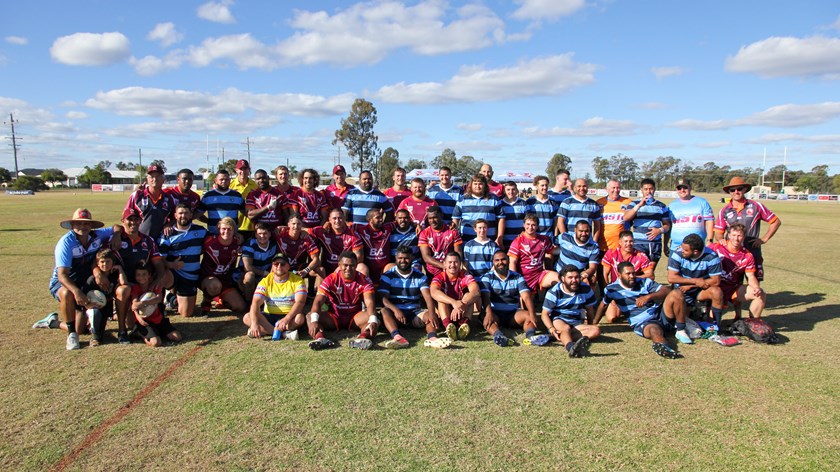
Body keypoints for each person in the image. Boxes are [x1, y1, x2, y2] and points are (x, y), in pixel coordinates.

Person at [47, 209, 120, 350]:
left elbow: (117, 227)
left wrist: (117, 235)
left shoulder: (97, 235)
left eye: (86, 223)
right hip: (64, 283)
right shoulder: (66, 243)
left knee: (81, 328)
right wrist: (76, 292)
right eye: (78, 223)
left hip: (84, 282)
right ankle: (72, 335)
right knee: (67, 294)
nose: (82, 227)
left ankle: (53, 322)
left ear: (91, 225)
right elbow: (62, 275)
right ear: (72, 225)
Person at [594, 262, 684, 359]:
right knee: (654, 330)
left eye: (633, 273)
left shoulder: (644, 281)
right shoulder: (612, 289)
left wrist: (648, 297)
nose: (632, 276)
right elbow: (603, 305)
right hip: (644, 322)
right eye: (628, 274)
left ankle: (681, 329)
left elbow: (666, 290)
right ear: (619, 275)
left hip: (660, 313)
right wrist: (594, 322)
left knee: (677, 293)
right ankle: (664, 348)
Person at [113, 208, 173, 339]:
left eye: (136, 219)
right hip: (124, 284)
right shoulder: (116, 239)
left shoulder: (148, 240)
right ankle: (122, 330)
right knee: (124, 293)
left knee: (166, 275)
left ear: (141, 221)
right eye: (129, 219)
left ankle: (158, 316)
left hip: (142, 283)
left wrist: (157, 280)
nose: (133, 222)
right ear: (123, 221)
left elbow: (158, 263)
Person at [378, 247, 450, 349]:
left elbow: (428, 297)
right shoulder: (387, 275)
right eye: (400, 258)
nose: (403, 261)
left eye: (406, 258)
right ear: (396, 258)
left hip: (414, 313)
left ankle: (432, 338)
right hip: (395, 314)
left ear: (412, 258)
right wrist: (396, 310)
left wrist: (432, 313)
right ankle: (398, 337)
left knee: (430, 314)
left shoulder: (420, 276)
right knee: (384, 311)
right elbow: (382, 298)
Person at [307, 252, 378, 350]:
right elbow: (318, 301)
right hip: (334, 316)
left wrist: (373, 320)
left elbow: (369, 302)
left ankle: (362, 338)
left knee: (375, 320)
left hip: (355, 317)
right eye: (345, 265)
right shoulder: (331, 278)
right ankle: (321, 339)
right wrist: (314, 321)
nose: (348, 268)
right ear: (339, 265)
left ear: (356, 265)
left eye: (352, 265)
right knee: (310, 316)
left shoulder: (364, 280)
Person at [713, 176, 781, 281]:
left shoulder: (756, 206)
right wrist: (721, 239)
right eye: (732, 190)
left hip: (752, 251)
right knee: (732, 284)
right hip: (733, 254)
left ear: (744, 189)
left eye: (739, 189)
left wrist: (764, 239)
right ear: (729, 192)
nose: (736, 192)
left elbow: (775, 222)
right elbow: (718, 232)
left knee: (754, 283)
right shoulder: (724, 210)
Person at [480, 250, 546, 347]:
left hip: (513, 314)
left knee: (528, 316)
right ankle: (499, 336)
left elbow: (526, 296)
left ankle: (531, 337)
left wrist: (532, 313)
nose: (500, 262)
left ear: (508, 261)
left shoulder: (517, 276)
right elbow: (485, 297)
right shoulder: (487, 277)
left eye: (503, 259)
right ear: (493, 262)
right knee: (484, 316)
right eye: (497, 260)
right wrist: (489, 314)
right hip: (495, 313)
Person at [666, 233, 724, 336]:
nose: (682, 250)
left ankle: (715, 326)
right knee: (683, 319)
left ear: (695, 252)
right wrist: (695, 281)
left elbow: (716, 281)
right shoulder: (677, 254)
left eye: (685, 250)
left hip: (701, 290)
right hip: (682, 291)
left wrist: (692, 285)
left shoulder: (712, 256)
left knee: (717, 292)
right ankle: (693, 313)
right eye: (682, 248)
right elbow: (671, 278)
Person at [158, 204, 208, 318]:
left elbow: (212, 242)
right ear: (175, 215)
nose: (183, 216)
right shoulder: (167, 234)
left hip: (190, 277)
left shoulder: (201, 231)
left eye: (186, 213)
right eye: (180, 213)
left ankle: (172, 298)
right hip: (174, 273)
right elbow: (160, 260)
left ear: (191, 215)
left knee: (186, 314)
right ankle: (159, 306)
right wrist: (171, 264)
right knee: (160, 275)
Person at [540, 265, 601, 358]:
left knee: (596, 330)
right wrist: (551, 329)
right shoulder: (554, 292)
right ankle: (571, 348)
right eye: (570, 277)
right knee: (565, 328)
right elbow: (544, 314)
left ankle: (558, 337)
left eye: (577, 277)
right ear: (563, 279)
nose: (574, 280)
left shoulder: (586, 289)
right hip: (558, 319)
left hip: (576, 322)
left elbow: (590, 310)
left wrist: (590, 325)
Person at [243, 253, 307, 339]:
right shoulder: (265, 281)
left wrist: (286, 319)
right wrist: (254, 324)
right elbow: (255, 303)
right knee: (247, 317)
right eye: (276, 264)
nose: (279, 266)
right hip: (269, 316)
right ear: (272, 267)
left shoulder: (298, 280)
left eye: (282, 264)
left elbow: (300, 302)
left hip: (289, 315)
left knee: (299, 318)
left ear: (288, 266)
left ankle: (266, 331)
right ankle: (282, 334)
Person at [710, 223, 766, 320]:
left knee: (760, 295)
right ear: (728, 235)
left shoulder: (747, 255)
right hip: (715, 287)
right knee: (713, 322)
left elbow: (751, 276)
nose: (736, 239)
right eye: (734, 235)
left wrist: (756, 287)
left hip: (733, 288)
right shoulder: (716, 247)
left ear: (744, 237)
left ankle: (753, 323)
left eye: (739, 236)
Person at [600, 232, 654, 323]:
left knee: (641, 315)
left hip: (634, 291)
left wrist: (632, 277)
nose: (628, 244)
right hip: (617, 291)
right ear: (620, 242)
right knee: (611, 318)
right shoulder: (611, 252)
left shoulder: (641, 255)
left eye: (631, 241)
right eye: (626, 241)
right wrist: (609, 292)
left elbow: (651, 275)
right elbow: (605, 274)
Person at [199, 217, 246, 316]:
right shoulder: (209, 241)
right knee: (215, 285)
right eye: (224, 229)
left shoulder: (237, 243)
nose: (226, 232)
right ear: (219, 229)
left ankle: (220, 300)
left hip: (225, 279)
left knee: (240, 307)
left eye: (230, 229)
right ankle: (206, 302)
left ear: (234, 230)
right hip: (208, 278)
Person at [430, 252, 481, 341]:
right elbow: (433, 292)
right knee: (441, 300)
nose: (453, 265)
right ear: (444, 264)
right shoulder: (439, 276)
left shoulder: (465, 276)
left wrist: (460, 305)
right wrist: (453, 302)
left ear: (460, 264)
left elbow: (476, 292)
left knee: (469, 296)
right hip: (446, 312)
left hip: (462, 310)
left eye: (456, 262)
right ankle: (448, 327)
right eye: (450, 262)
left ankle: (463, 326)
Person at [130, 262, 182, 347]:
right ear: (135, 276)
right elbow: (134, 305)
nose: (141, 277)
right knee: (156, 343)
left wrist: (144, 303)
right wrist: (139, 318)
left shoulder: (155, 286)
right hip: (144, 321)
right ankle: (140, 333)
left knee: (177, 337)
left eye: (144, 274)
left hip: (158, 319)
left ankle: (156, 333)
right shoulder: (135, 288)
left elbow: (158, 298)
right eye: (138, 275)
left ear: (149, 275)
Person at [623, 178, 671, 270]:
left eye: (651, 189)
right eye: (646, 189)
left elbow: (667, 225)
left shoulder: (661, 206)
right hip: (638, 243)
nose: (648, 191)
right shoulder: (634, 204)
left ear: (654, 189)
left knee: (650, 272)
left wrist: (659, 230)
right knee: (637, 271)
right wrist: (639, 205)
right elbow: (626, 218)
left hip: (655, 244)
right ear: (641, 190)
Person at [508, 213, 559, 295]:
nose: (530, 227)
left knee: (559, 278)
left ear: (537, 226)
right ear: (524, 225)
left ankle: (552, 299)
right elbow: (512, 262)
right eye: (528, 224)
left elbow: (554, 251)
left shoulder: (543, 239)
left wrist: (569, 247)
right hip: (524, 278)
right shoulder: (517, 241)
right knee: (528, 302)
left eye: (533, 225)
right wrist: (515, 280)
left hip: (539, 275)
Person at [123, 163, 175, 240]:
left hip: (160, 241)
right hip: (139, 241)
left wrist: (169, 224)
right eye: (151, 177)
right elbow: (125, 217)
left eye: (158, 176)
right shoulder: (136, 196)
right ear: (147, 179)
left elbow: (174, 217)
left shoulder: (169, 198)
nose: (154, 179)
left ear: (163, 179)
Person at [664, 178, 714, 255]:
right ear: (676, 190)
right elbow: (668, 226)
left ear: (690, 188)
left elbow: (709, 222)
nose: (682, 190)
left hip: (696, 248)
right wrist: (665, 244)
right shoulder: (671, 205)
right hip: (675, 248)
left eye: (685, 187)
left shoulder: (702, 202)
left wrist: (709, 240)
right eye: (679, 188)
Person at [310, 208, 366, 275]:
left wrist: (341, 267)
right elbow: (304, 230)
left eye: (340, 218)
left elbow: (359, 257)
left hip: (345, 270)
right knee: (320, 270)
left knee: (362, 267)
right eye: (334, 218)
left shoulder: (353, 234)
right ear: (329, 220)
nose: (337, 221)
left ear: (344, 218)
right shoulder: (323, 231)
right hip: (326, 269)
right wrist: (303, 232)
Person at [452, 174, 504, 243]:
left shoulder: (494, 199)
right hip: (467, 241)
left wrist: (499, 238)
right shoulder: (462, 199)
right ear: (471, 185)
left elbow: (501, 219)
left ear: (485, 185)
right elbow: (455, 219)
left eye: (480, 184)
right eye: (475, 184)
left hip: (489, 241)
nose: (477, 186)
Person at [235, 222, 279, 301]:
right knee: (249, 276)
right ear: (255, 234)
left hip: (265, 275)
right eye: (259, 234)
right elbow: (248, 268)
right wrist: (265, 273)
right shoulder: (249, 245)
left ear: (269, 234)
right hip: (244, 276)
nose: (262, 236)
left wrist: (271, 274)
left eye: (265, 233)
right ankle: (249, 302)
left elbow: (276, 262)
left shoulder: (274, 245)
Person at [196, 169, 246, 236]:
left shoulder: (237, 196)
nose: (224, 181)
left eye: (226, 179)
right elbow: (198, 214)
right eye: (221, 179)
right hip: (213, 235)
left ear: (230, 180)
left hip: (232, 235)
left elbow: (246, 213)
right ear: (215, 180)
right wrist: (209, 221)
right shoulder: (208, 196)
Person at [418, 205, 463, 278]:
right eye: (430, 218)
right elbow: (426, 257)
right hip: (433, 272)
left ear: (441, 216)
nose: (432, 221)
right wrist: (444, 266)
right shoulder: (424, 233)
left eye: (435, 217)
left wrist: (453, 266)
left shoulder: (452, 231)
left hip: (451, 270)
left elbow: (458, 252)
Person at [275, 214, 322, 281]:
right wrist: (281, 228)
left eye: (298, 224)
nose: (296, 226)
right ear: (288, 224)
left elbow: (316, 259)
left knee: (321, 270)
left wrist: (305, 270)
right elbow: (267, 233)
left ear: (302, 225)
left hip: (296, 268)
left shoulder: (305, 237)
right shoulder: (280, 233)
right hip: (280, 266)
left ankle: (316, 288)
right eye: (293, 224)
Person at [354, 208, 394, 284]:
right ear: (370, 220)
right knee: (361, 267)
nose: (381, 219)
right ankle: (365, 290)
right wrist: (329, 224)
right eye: (377, 218)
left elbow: (401, 221)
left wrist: (415, 225)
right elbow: (345, 225)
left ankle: (387, 290)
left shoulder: (388, 228)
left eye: (381, 217)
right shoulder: (360, 229)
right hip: (368, 269)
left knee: (392, 266)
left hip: (384, 269)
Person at [557, 178, 603, 244]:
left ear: (587, 187)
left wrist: (594, 242)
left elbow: (597, 226)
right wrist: (567, 240)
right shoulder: (566, 202)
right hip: (570, 243)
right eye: (579, 186)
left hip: (587, 243)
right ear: (575, 188)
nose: (582, 188)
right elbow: (560, 222)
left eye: (584, 186)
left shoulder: (594, 204)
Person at [556, 220, 600, 287]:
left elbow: (592, 268)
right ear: (575, 230)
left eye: (586, 231)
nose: (584, 234)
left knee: (592, 279)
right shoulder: (564, 237)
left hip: (577, 274)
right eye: (581, 231)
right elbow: (549, 244)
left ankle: (588, 294)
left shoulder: (594, 246)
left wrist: (583, 275)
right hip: (559, 272)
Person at [596, 179, 632, 252]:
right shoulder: (599, 203)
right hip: (603, 246)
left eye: (618, 188)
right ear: (607, 189)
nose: (616, 190)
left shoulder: (628, 202)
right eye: (613, 188)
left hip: (621, 247)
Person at [229, 159, 258, 239]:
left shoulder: (255, 185)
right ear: (236, 170)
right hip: (235, 225)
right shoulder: (230, 185)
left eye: (245, 169)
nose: (243, 171)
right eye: (241, 169)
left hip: (251, 225)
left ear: (249, 170)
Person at [499, 181, 527, 249]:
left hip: (520, 240)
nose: (511, 192)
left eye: (513, 189)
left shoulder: (523, 203)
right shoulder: (500, 204)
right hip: (504, 240)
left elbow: (528, 220)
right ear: (504, 191)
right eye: (508, 189)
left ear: (517, 190)